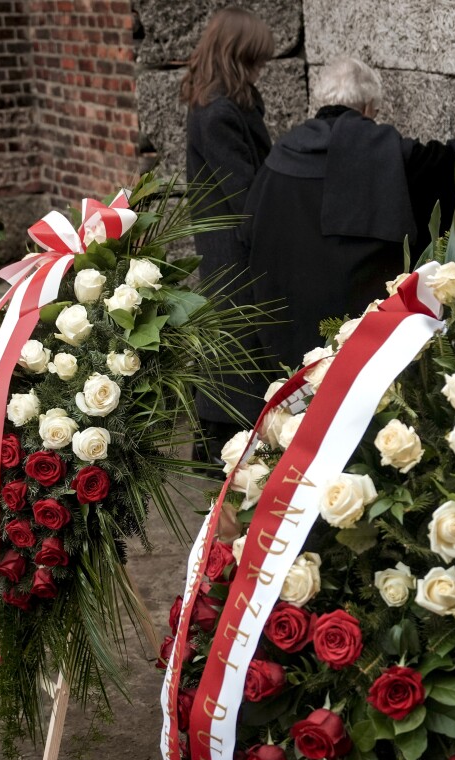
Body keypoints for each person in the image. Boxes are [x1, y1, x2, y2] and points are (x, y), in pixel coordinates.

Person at [240, 58, 455, 376]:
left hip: (286, 328)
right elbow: (448, 166)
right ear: (367, 107)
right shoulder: (382, 152)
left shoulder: (281, 155)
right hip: (359, 339)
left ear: (321, 101)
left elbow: (248, 232)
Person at [181, 5, 276, 458]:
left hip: (232, 246)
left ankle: (224, 448)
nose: (261, 68)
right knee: (238, 354)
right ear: (237, 56)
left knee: (237, 352)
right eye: (256, 59)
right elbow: (244, 193)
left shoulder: (227, 104)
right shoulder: (218, 113)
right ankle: (221, 450)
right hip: (232, 251)